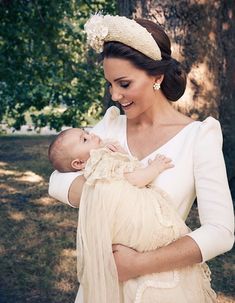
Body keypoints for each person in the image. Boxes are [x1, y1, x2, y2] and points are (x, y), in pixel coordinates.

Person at [48, 14, 234, 303]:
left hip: (162, 287)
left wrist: (136, 265)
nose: (115, 95)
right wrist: (112, 188)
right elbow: (56, 181)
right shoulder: (110, 127)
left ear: (157, 77)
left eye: (123, 83)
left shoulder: (198, 136)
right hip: (103, 286)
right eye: (110, 84)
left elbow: (221, 231)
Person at [48, 127, 216, 302]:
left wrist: (118, 154)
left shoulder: (97, 164)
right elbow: (135, 179)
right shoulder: (100, 163)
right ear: (78, 164)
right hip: (139, 222)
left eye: (87, 133)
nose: (92, 135)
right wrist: (155, 168)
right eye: (84, 139)